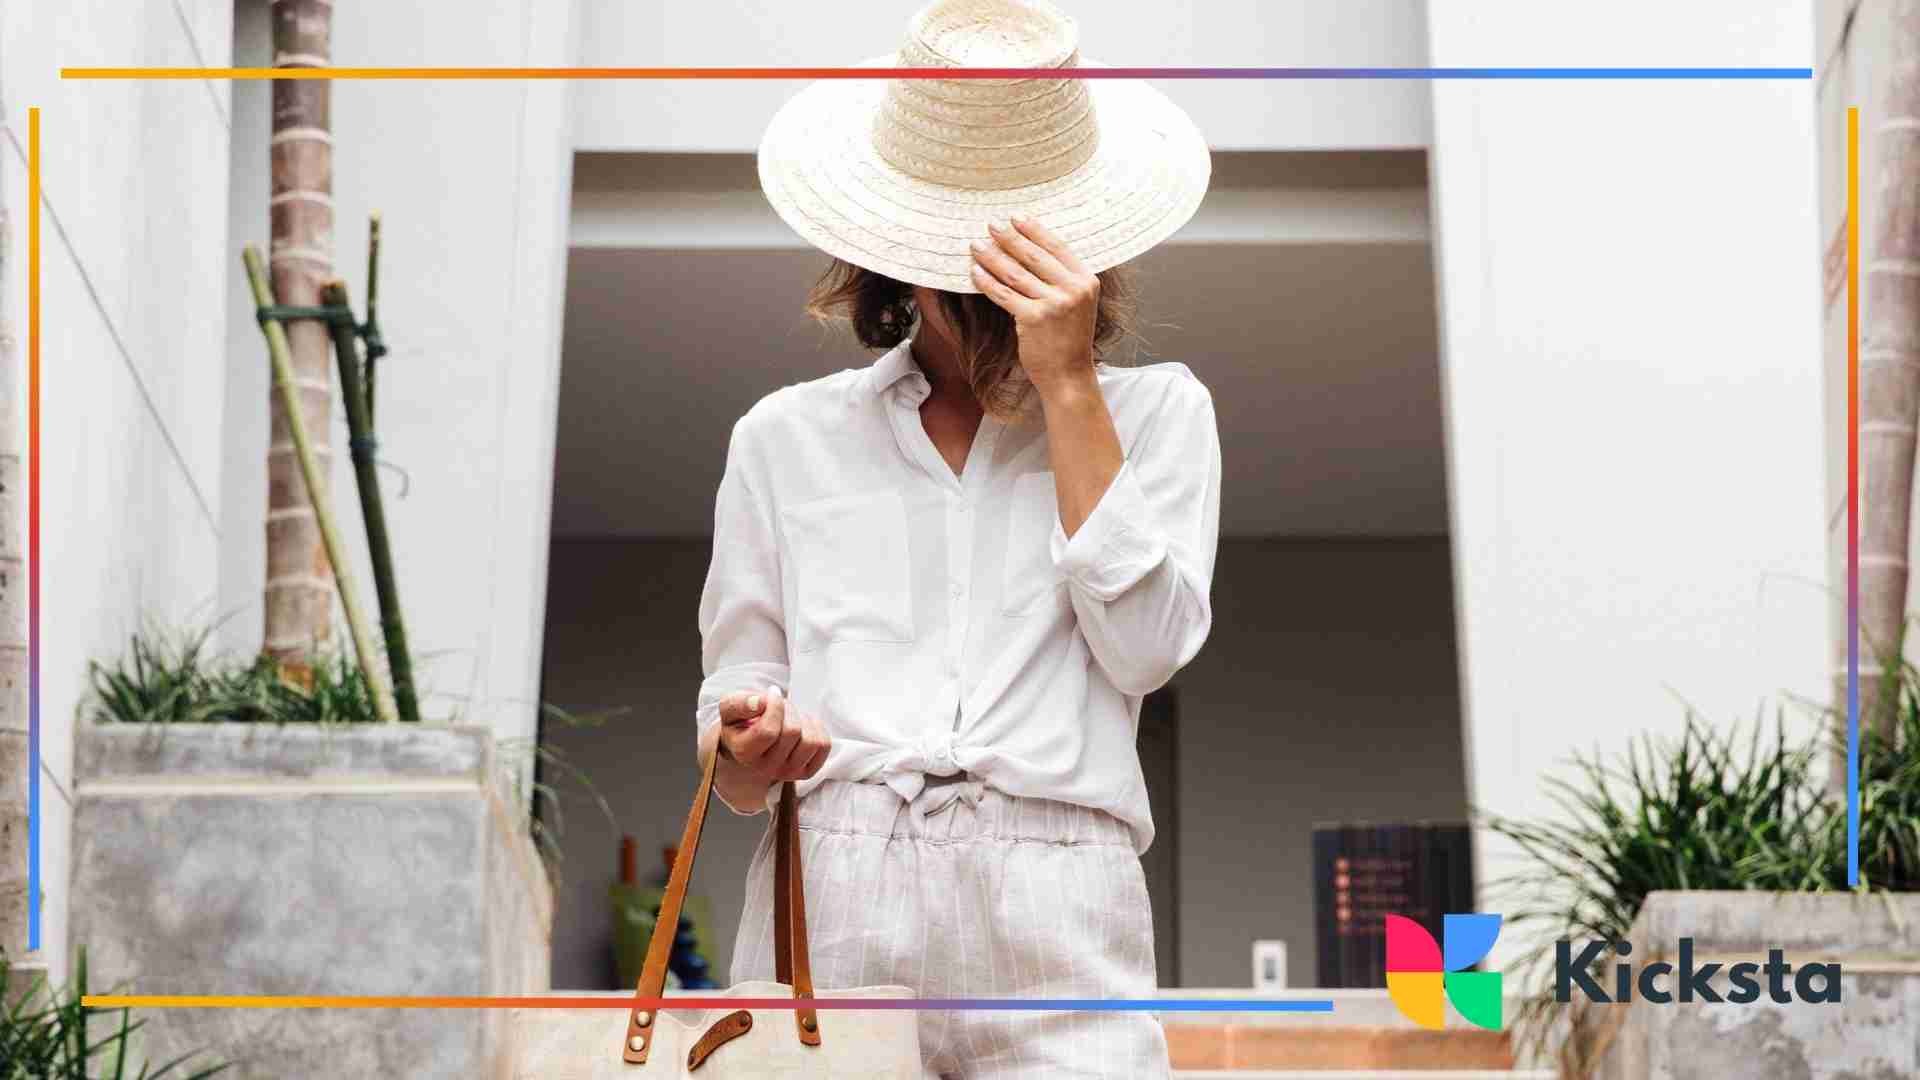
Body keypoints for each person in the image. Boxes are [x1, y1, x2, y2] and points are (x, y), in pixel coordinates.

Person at [693, 1, 1219, 1075]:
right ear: (896, 249)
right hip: (835, 874)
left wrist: (1068, 383)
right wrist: (745, 740)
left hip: (1058, 891)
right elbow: (733, 714)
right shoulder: (786, 438)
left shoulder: (1160, 414)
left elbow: (1148, 650)